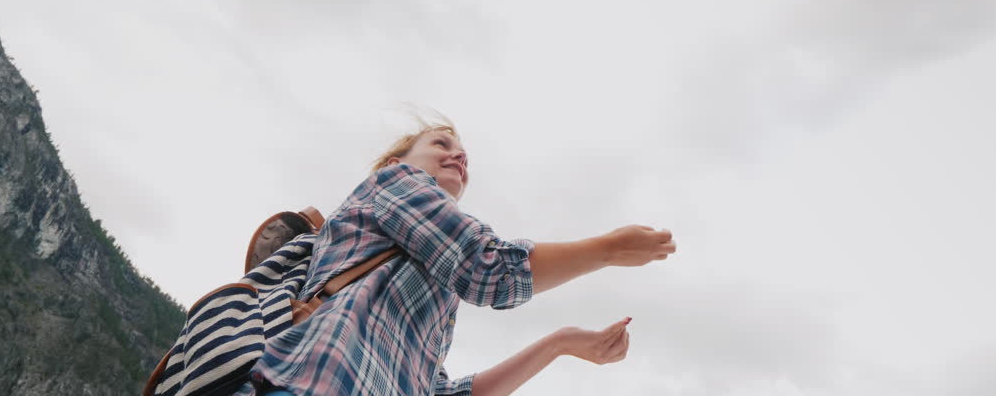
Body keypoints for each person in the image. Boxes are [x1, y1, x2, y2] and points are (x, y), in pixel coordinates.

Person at [241, 119, 676, 396]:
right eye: (441, 143)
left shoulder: (431, 281)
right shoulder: (397, 181)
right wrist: (608, 249)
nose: (459, 155)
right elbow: (489, 271)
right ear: (397, 161)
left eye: (462, 151)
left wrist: (558, 343)